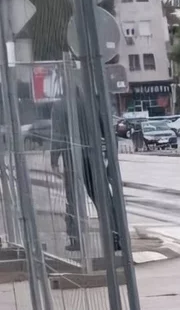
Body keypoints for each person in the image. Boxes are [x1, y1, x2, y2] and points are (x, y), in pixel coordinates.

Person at [52, 85, 121, 252]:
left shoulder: (61, 106)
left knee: (72, 200)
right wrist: (111, 160)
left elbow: (59, 135)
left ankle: (75, 239)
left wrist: (54, 158)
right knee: (103, 199)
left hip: (72, 160)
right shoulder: (93, 104)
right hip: (93, 158)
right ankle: (115, 237)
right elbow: (110, 134)